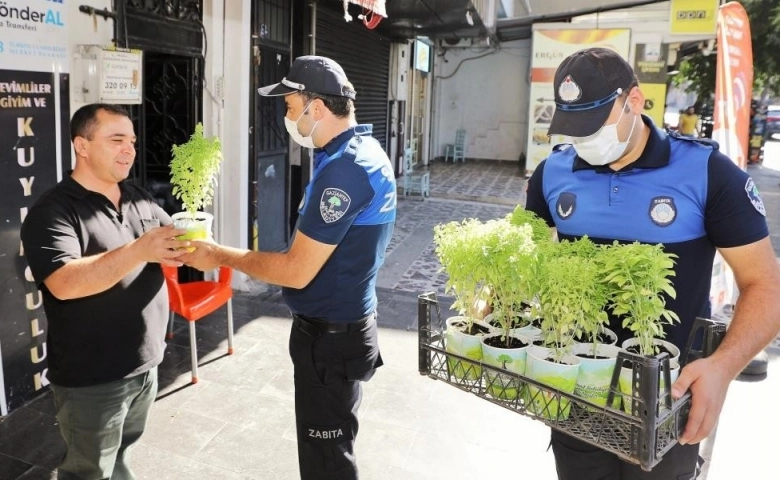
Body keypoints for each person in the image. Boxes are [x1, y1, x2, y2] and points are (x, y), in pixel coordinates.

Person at [525, 48, 780, 479]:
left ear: (635, 102)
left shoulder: (708, 172)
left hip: (668, 407)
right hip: (575, 394)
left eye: (594, 124)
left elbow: (766, 285)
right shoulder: (552, 173)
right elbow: (527, 256)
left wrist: (722, 368)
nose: (585, 141)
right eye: (574, 128)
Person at [180, 55, 396, 480]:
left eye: (290, 106)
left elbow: (296, 270)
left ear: (317, 108)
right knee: (332, 452)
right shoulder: (356, 151)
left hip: (331, 341)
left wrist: (219, 254)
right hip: (341, 329)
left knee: (326, 463)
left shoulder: (345, 171)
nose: (286, 115)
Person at [20, 103, 189, 479]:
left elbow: (172, 242)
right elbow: (63, 283)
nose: (129, 149)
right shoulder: (54, 211)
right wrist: (140, 249)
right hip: (93, 378)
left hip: (145, 365)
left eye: (131, 140)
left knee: (121, 457)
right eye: (116, 140)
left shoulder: (139, 196)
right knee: (88, 471)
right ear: (82, 146)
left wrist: (193, 245)